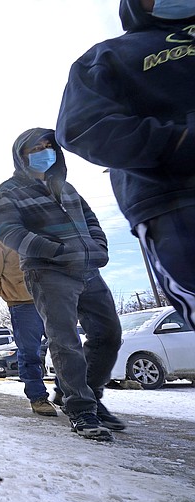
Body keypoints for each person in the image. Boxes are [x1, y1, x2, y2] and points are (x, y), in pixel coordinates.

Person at [56, 0, 195, 329]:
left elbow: (91, 226)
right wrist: (178, 142)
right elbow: (83, 126)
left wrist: (97, 249)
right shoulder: (107, 57)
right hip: (177, 201)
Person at [0, 127, 125, 441]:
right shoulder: (8, 191)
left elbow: (91, 220)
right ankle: (82, 410)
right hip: (48, 272)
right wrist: (58, 252)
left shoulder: (66, 188)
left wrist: (98, 248)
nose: (43, 152)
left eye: (48, 146)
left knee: (108, 335)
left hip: (89, 271)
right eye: (35, 148)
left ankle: (84, 394)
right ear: (21, 156)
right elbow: (11, 233)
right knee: (65, 341)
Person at [0, 228, 57, 417]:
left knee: (66, 347)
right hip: (24, 304)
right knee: (30, 352)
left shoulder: (42, 232)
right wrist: (10, 293)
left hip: (54, 299)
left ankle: (66, 392)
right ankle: (37, 397)